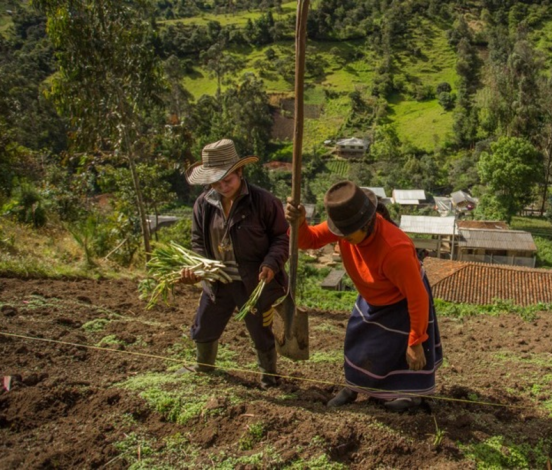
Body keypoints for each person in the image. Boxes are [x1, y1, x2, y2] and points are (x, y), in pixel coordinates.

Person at [285, 181, 442, 412]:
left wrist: (416, 340)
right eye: (341, 234)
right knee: (359, 345)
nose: (343, 239)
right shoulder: (344, 227)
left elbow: (417, 297)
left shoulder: (394, 248)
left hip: (401, 301)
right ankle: (354, 387)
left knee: (402, 353)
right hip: (371, 297)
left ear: (367, 223)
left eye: (348, 235)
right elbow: (308, 240)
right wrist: (298, 223)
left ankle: (410, 395)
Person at [178, 138, 289, 388]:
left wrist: (271, 264)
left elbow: (281, 237)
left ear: (240, 172)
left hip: (253, 281)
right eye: (215, 182)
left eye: (227, 180)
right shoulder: (204, 204)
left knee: (260, 329)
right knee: (205, 323)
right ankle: (203, 367)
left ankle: (268, 376)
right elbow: (198, 240)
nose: (222, 186)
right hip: (217, 280)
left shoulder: (263, 202)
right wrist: (198, 267)